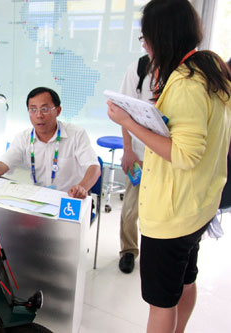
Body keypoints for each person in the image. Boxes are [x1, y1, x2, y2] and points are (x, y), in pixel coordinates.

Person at [107, 1, 231, 332]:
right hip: (199, 204)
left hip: (173, 215)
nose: (144, 44)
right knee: (185, 282)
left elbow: (185, 155)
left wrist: (129, 123)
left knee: (160, 303)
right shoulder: (210, 68)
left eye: (146, 37)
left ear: (161, 36)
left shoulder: (186, 83)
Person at [0, 87, 101, 199]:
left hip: (70, 199)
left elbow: (94, 167)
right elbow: (1, 168)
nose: (39, 115)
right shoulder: (23, 138)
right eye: (33, 110)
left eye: (44, 109)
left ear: (58, 110)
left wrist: (82, 188)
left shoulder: (76, 134)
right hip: (40, 200)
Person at [117, 55, 153, 274]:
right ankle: (128, 250)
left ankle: (154, 252)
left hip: (168, 154)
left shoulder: (182, 70)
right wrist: (128, 150)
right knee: (131, 208)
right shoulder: (138, 68)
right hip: (139, 153)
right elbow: (124, 112)